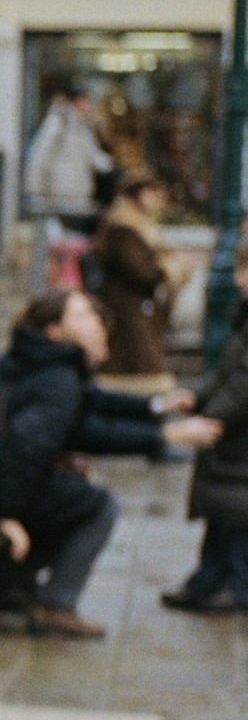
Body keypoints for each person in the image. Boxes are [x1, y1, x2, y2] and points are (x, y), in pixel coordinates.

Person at [0, 289, 219, 637]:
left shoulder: (46, 363)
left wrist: (156, 409)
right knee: (96, 506)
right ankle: (52, 605)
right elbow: (27, 450)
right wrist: (5, 518)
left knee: (69, 497)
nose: (95, 320)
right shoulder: (56, 379)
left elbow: (89, 410)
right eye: (81, 315)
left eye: (93, 313)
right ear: (55, 331)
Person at [165, 240, 248, 613]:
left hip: (239, 435)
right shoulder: (243, 316)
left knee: (239, 514)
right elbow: (225, 372)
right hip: (231, 437)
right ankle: (208, 577)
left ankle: (236, 583)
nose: (238, 279)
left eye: (246, 271)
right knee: (221, 511)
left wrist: (213, 414)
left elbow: (244, 383)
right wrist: (197, 398)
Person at [93, 169, 189, 395]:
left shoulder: (141, 226)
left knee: (139, 367)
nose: (157, 200)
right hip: (128, 309)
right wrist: (168, 268)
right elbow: (140, 270)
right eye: (152, 193)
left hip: (138, 307)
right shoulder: (123, 227)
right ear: (140, 194)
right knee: (138, 368)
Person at [23, 86, 113, 230]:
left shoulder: (83, 126)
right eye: (88, 101)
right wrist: (35, 194)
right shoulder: (58, 123)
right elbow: (39, 157)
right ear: (79, 101)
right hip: (59, 196)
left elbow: (96, 159)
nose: (91, 106)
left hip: (79, 196)